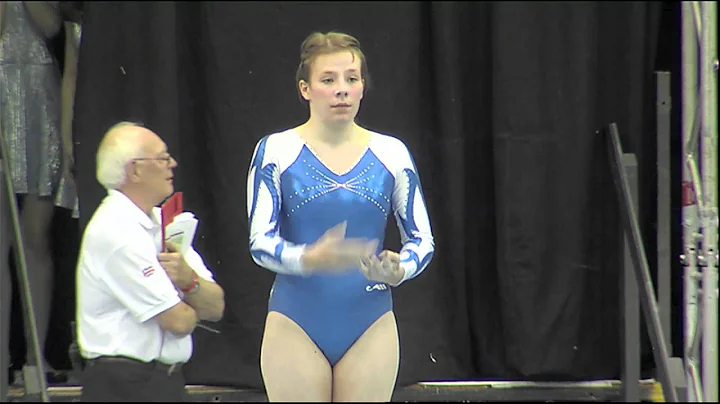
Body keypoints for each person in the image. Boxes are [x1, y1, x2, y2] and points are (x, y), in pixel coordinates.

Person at [247, 31, 435, 402]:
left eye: (352, 79)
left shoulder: (392, 153)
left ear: (363, 86)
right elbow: (259, 242)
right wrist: (308, 258)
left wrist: (401, 268)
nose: (342, 90)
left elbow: (423, 240)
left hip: (370, 321)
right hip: (295, 320)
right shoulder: (276, 150)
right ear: (305, 88)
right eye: (328, 80)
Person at [75, 121, 225, 402]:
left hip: (164, 381)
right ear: (135, 170)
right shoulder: (115, 230)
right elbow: (177, 321)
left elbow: (216, 306)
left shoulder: (161, 223)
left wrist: (187, 281)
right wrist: (193, 302)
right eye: (163, 157)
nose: (173, 164)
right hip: (124, 387)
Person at [0, 0, 79, 391]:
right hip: (2, 88)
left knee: (34, 238)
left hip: (36, 93)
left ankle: (35, 357)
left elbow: (51, 26)